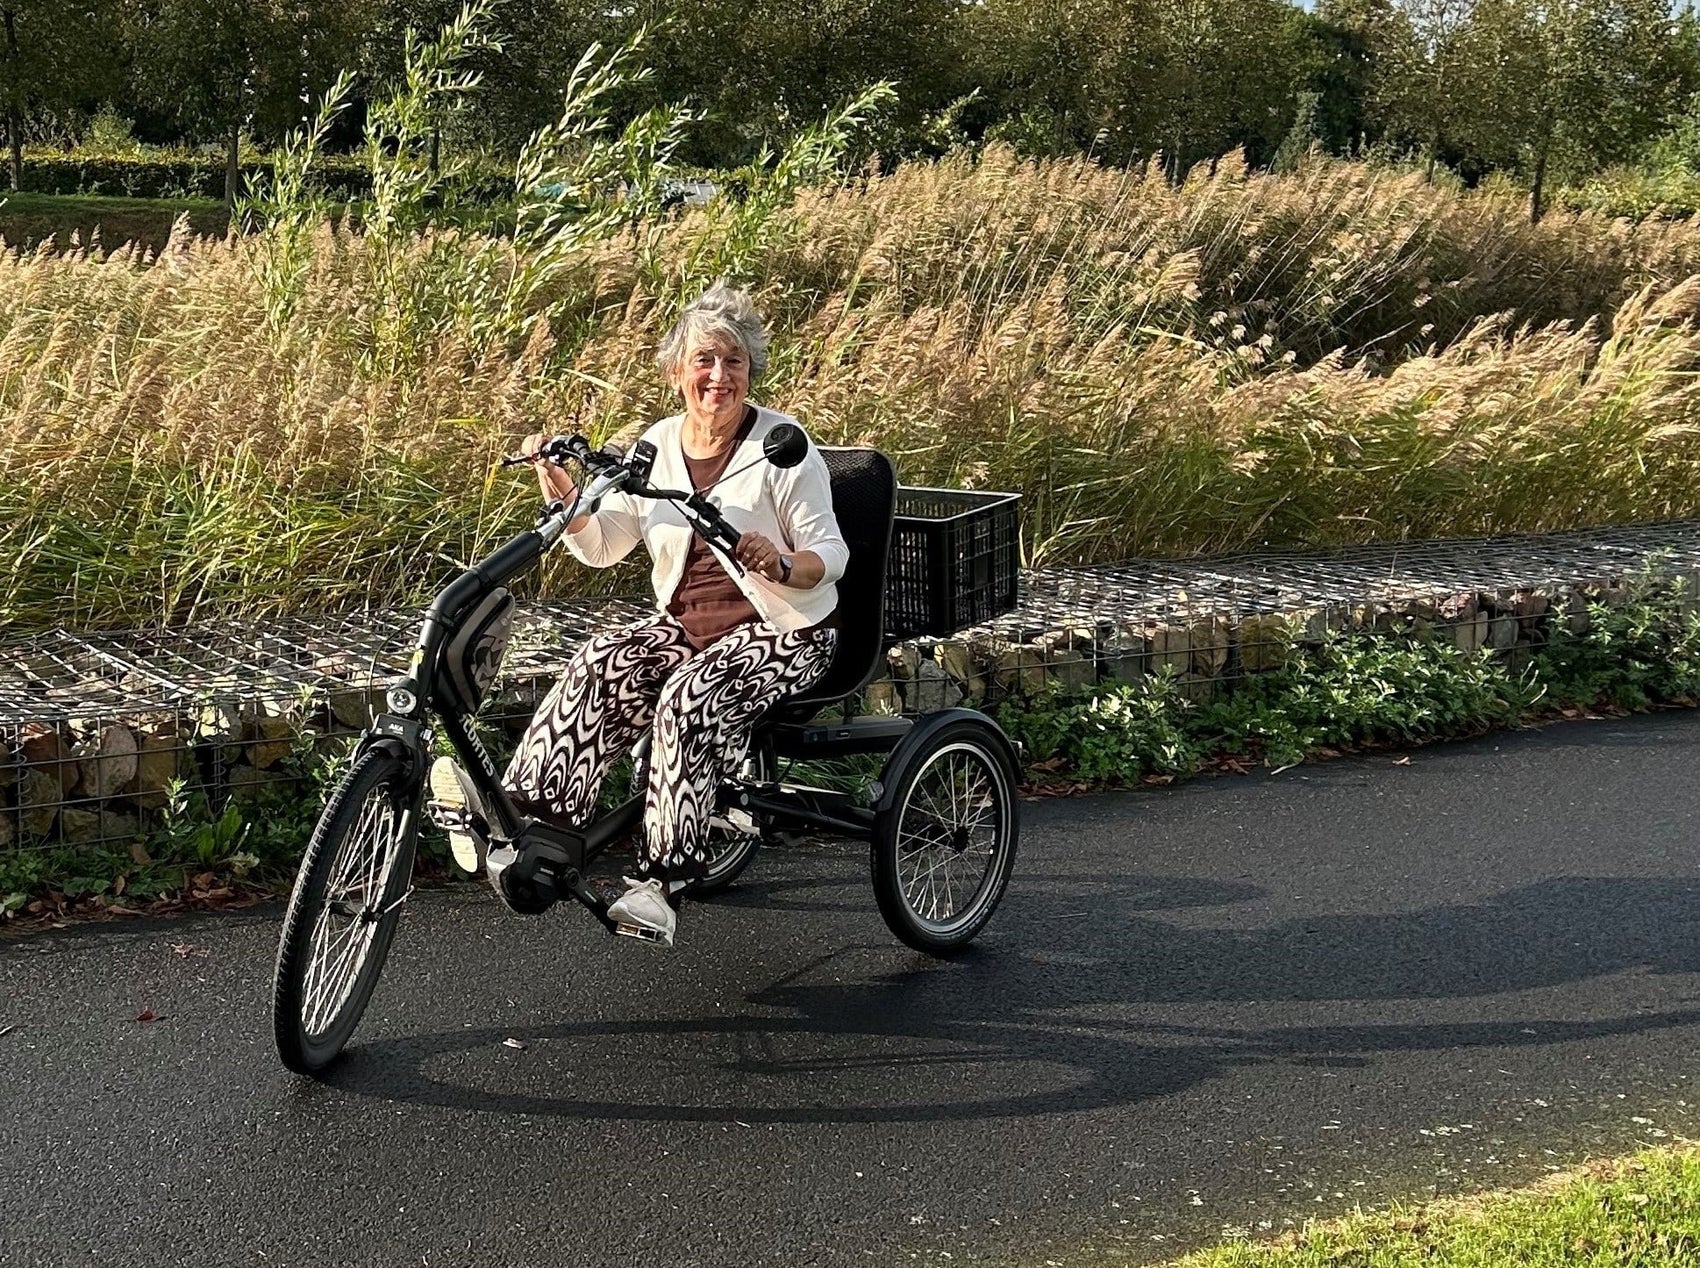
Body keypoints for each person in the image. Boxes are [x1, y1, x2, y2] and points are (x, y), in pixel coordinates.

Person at [430, 284, 845, 946]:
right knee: (599, 659)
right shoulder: (657, 444)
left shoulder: (782, 446)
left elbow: (830, 550)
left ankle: (663, 884)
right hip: (692, 631)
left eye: (734, 362)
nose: (719, 377)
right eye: (704, 360)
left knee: (686, 698)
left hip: (787, 632)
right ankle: (532, 815)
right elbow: (603, 545)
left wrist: (785, 563)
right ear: (677, 370)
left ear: (750, 372)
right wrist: (563, 489)